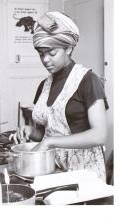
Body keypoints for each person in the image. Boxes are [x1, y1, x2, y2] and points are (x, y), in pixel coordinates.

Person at [10, 11, 109, 182]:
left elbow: (99, 134)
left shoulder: (87, 81)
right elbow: (48, 133)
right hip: (55, 170)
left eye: (52, 53)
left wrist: (51, 142)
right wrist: (30, 131)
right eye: (41, 54)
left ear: (69, 48)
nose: (45, 60)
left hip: (86, 175)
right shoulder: (44, 86)